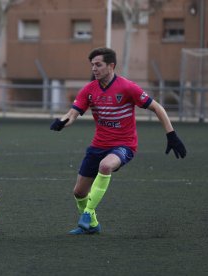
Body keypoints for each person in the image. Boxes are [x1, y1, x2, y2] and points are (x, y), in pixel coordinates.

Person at [50, 47, 187, 235]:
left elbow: (157, 107)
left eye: (98, 65)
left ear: (111, 66)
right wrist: (62, 122)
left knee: (106, 166)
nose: (94, 69)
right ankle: (93, 225)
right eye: (92, 65)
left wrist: (171, 135)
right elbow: (73, 114)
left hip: (124, 145)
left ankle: (88, 214)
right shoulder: (89, 90)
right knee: (79, 192)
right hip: (98, 145)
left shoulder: (127, 87)